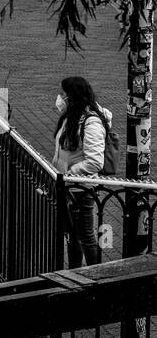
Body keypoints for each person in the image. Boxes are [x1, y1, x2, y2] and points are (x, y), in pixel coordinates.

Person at [52, 76, 112, 268]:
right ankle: (74, 273)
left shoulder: (91, 122)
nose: (60, 97)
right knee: (72, 235)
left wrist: (69, 173)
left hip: (81, 188)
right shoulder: (73, 115)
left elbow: (94, 161)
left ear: (73, 96)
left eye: (64, 94)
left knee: (85, 235)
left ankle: (96, 275)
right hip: (69, 185)